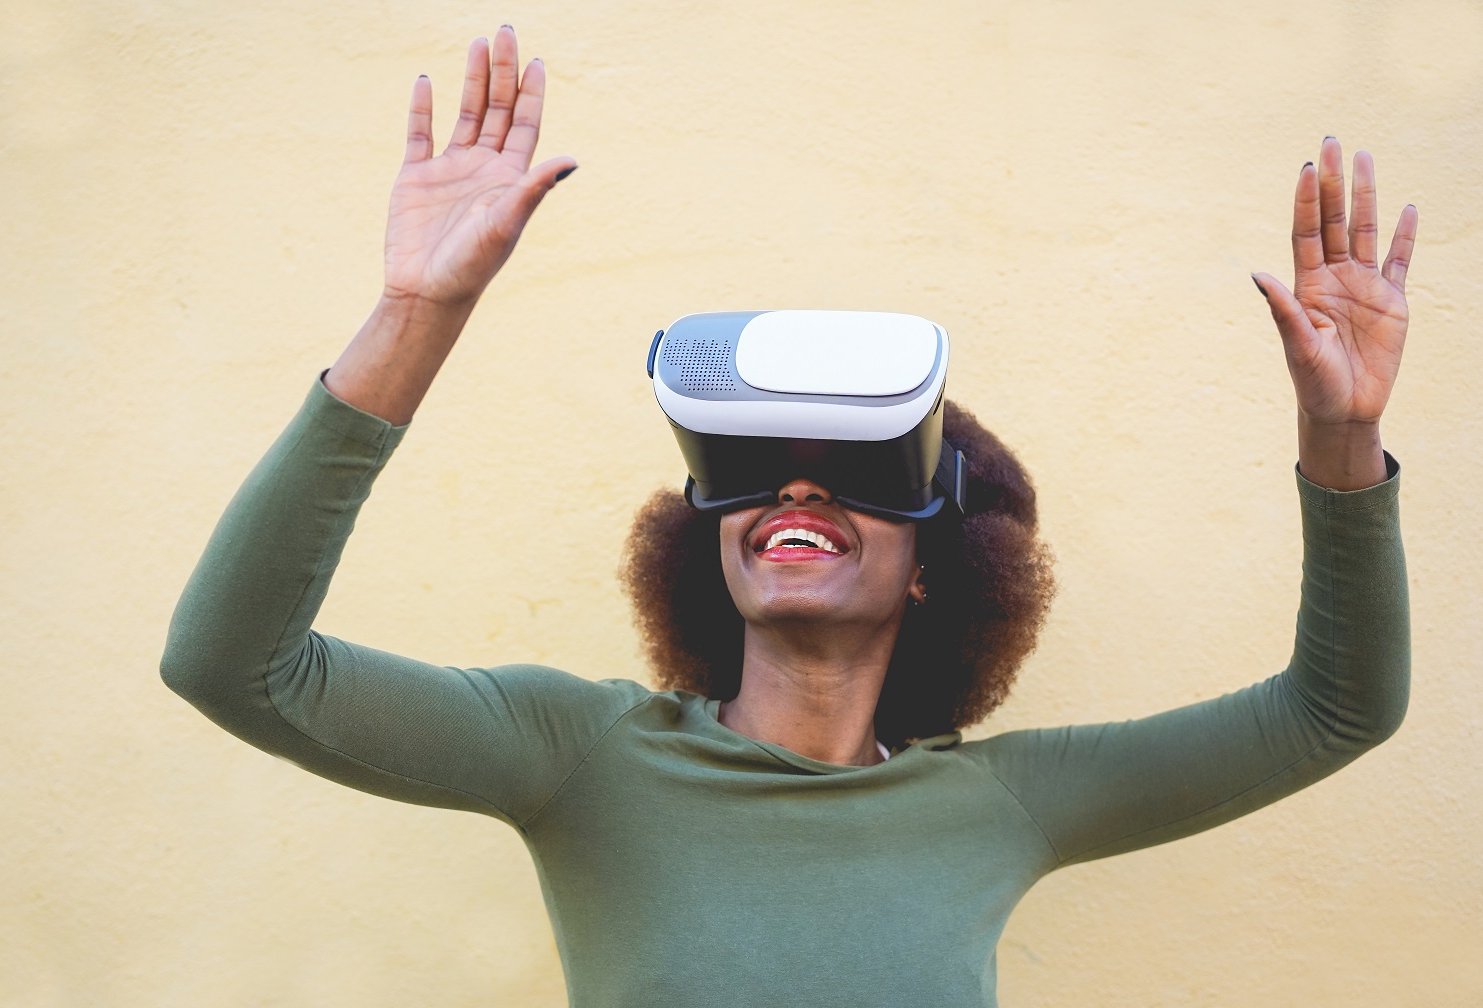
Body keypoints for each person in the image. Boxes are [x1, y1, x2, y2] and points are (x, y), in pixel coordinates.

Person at [161, 26, 1416, 1007]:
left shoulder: (1001, 807)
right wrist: (415, 313)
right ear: (708, 529)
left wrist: (1341, 435)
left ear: (939, 562)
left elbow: (1337, 710)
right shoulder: (582, 756)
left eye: (862, 471)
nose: (797, 491)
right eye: (755, 467)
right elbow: (235, 665)